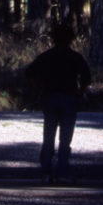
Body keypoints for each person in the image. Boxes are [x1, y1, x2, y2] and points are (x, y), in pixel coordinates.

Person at [26, 23, 91, 184]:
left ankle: (46, 172)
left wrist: (39, 90)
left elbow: (29, 73)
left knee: (48, 138)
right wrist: (79, 93)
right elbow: (86, 78)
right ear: (71, 39)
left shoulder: (47, 56)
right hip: (69, 99)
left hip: (50, 98)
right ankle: (63, 171)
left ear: (53, 38)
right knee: (65, 139)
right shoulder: (75, 57)